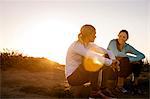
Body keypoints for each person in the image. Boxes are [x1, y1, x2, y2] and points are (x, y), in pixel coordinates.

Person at [65, 24, 119, 98]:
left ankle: (103, 89)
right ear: (88, 34)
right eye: (94, 34)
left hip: (83, 74)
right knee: (91, 60)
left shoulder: (90, 45)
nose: (95, 36)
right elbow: (92, 56)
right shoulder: (76, 46)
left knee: (105, 57)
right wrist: (110, 62)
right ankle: (94, 92)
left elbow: (108, 52)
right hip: (73, 77)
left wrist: (114, 61)